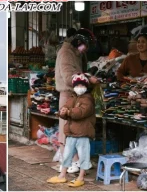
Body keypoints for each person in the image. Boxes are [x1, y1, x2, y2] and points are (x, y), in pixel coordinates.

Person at [54, 30, 98, 177]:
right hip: (68, 94)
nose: (85, 49)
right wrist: (87, 79)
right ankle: (68, 163)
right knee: (66, 129)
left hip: (76, 93)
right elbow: (68, 77)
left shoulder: (76, 53)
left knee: (77, 128)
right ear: (78, 42)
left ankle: (76, 160)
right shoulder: (66, 52)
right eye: (84, 46)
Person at [47, 73, 95, 188]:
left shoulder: (88, 99)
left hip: (83, 133)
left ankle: (81, 177)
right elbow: (65, 109)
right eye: (77, 85)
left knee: (84, 156)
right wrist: (62, 112)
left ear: (86, 86)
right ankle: (62, 176)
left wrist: (67, 112)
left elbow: (81, 112)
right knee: (67, 155)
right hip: (72, 133)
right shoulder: (72, 98)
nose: (79, 87)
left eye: (81, 85)